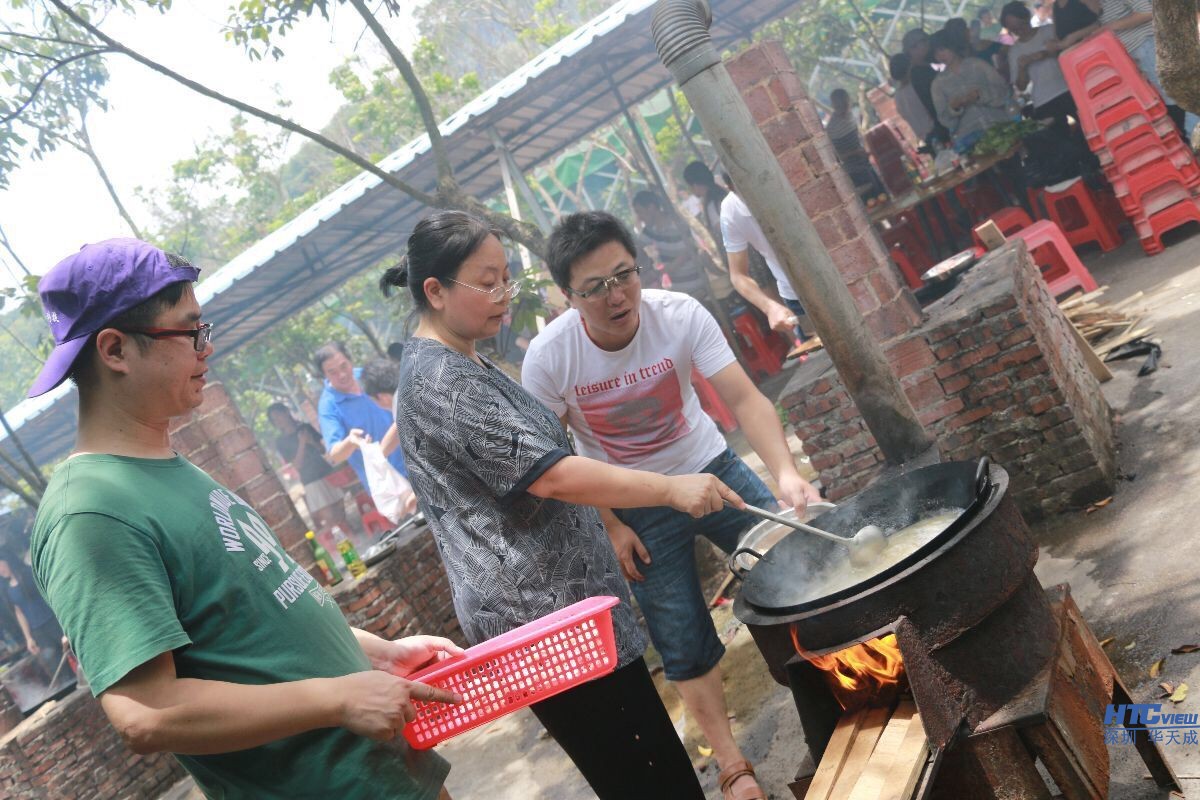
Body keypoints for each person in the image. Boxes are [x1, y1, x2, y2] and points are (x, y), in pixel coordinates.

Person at [25, 238, 460, 798]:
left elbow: (256, 621)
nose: (206, 348)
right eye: (191, 331)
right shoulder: (91, 513)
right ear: (114, 350)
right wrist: (337, 698)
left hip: (389, 774)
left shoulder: (168, 468)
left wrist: (378, 653)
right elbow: (146, 712)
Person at [385, 211, 745, 800]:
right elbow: (550, 475)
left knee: (654, 764)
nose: (504, 295)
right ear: (436, 290)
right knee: (641, 775)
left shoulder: (465, 358)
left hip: (569, 609)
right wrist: (670, 488)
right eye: (488, 283)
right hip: (541, 621)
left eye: (506, 278)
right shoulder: (438, 382)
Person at [522, 210, 822, 800]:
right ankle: (731, 763)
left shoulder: (679, 314)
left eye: (624, 275)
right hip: (633, 502)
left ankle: (836, 682)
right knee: (680, 632)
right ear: (567, 297)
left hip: (712, 467)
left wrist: (786, 473)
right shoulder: (549, 359)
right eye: (595, 287)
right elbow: (558, 462)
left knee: (795, 569)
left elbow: (745, 399)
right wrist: (611, 525)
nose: (616, 295)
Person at [1050, 0, 1196, 137]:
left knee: (1177, 96)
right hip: (1134, 54)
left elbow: (1147, 12)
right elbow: (1100, 22)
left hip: (1147, 45)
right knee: (1168, 99)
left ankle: (1193, 135)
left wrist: (1110, 27)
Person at [315, 341, 408, 490]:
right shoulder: (328, 406)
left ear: (350, 360)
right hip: (389, 483)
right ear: (324, 375)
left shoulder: (369, 375)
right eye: (332, 372)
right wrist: (350, 442)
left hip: (418, 459)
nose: (342, 375)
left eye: (344, 366)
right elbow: (335, 454)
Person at [719, 180, 806, 337]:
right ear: (730, 187)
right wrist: (770, 307)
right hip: (796, 298)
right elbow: (738, 275)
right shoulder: (730, 210)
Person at [267, 402, 348, 531]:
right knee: (330, 518)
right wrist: (302, 443)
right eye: (274, 419)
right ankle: (341, 538)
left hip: (326, 472)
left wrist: (311, 442)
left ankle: (351, 536)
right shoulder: (281, 442)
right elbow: (297, 465)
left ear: (286, 412)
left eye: (278, 416)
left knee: (341, 513)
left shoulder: (305, 427)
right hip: (311, 481)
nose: (277, 421)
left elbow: (322, 450)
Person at [930, 29, 1013, 148]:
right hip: (971, 141)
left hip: (1001, 127)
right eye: (936, 53)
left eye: (942, 49)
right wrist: (953, 108)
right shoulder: (938, 84)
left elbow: (1004, 92)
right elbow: (944, 119)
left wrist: (980, 95)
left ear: (952, 46)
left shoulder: (977, 65)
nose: (940, 56)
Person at [1003, 1, 1077, 129]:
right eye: (1014, 30)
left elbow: (1073, 51)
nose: (1020, 31)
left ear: (1027, 17)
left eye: (1021, 25)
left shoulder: (1049, 30)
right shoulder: (1014, 51)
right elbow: (1021, 86)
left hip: (1069, 88)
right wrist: (1022, 68)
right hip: (1044, 100)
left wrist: (1050, 53)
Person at [631, 190, 712, 299]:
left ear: (651, 208)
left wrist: (659, 272)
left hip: (701, 288)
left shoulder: (678, 223)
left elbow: (689, 250)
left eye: (640, 212)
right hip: (679, 292)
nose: (639, 218)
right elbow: (635, 249)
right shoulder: (649, 231)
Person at [0, 547, 63, 680]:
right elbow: (19, 613)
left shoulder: (28, 573)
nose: (0, 570)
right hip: (38, 632)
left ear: (7, 560)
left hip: (54, 621)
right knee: (57, 665)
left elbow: (48, 593)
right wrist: (28, 638)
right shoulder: (6, 589)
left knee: (75, 653)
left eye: (0, 565)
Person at [824, 88, 887, 201]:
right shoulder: (832, 128)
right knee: (873, 202)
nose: (846, 105)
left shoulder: (850, 116)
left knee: (884, 197)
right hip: (855, 172)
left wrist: (865, 149)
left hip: (866, 165)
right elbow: (837, 157)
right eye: (842, 103)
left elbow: (859, 139)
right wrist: (856, 152)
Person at [902, 29, 953, 146]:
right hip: (946, 124)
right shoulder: (919, 74)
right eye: (925, 41)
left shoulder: (925, 67)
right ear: (913, 49)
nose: (928, 45)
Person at [890, 53, 937, 145]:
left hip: (924, 137)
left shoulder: (898, 97)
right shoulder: (916, 86)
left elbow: (905, 116)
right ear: (909, 66)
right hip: (936, 128)